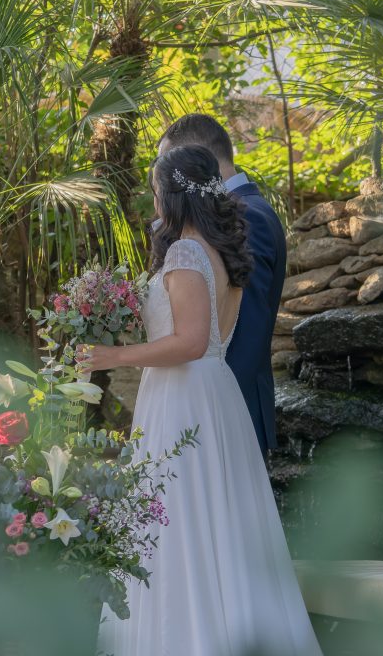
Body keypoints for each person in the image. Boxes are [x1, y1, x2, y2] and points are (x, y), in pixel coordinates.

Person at [78, 146, 319, 656]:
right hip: (214, 395)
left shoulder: (186, 253)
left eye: (155, 188)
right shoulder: (220, 251)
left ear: (173, 192)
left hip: (183, 397)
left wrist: (112, 354)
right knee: (217, 526)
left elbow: (188, 342)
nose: (153, 199)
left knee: (178, 527)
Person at [157, 114, 286, 459]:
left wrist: (216, 408)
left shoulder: (248, 217)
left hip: (226, 409)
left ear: (196, 160)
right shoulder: (237, 214)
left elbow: (247, 327)